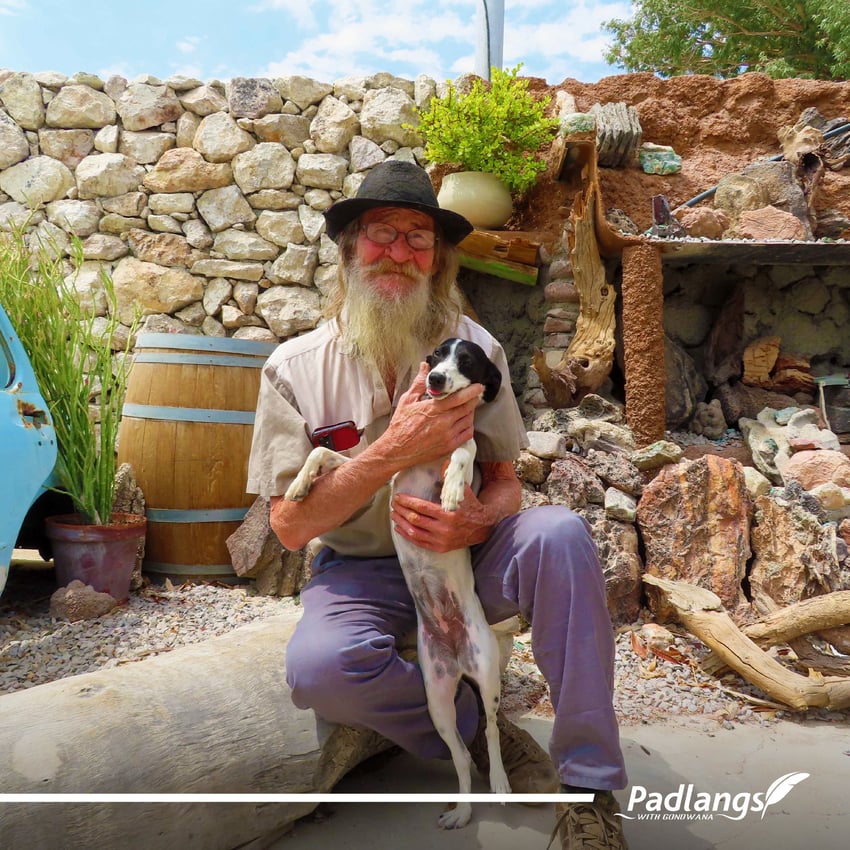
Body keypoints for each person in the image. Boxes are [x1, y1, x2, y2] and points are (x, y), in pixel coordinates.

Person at [247, 159, 629, 849]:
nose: (398, 252)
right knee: (321, 670)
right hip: (362, 568)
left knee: (561, 534)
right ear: (348, 251)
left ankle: (589, 788)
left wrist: (481, 515)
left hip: (465, 551)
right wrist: (393, 448)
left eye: (417, 238)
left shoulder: (476, 351)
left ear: (438, 259)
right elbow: (290, 524)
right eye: (380, 234)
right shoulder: (294, 368)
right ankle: (485, 739)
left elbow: (506, 478)